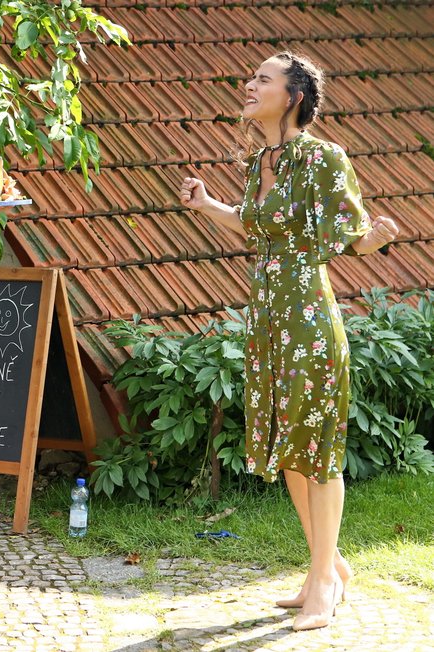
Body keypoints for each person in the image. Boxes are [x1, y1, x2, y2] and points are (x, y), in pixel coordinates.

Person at [178, 51, 398, 630]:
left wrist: (371, 241)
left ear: (293, 96)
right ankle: (325, 566)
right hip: (269, 321)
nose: (249, 86)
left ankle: (325, 577)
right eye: (251, 78)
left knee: (318, 450)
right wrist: (207, 206)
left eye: (262, 80)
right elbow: (256, 225)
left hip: (308, 321)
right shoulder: (260, 162)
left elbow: (349, 232)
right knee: (293, 448)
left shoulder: (324, 157)